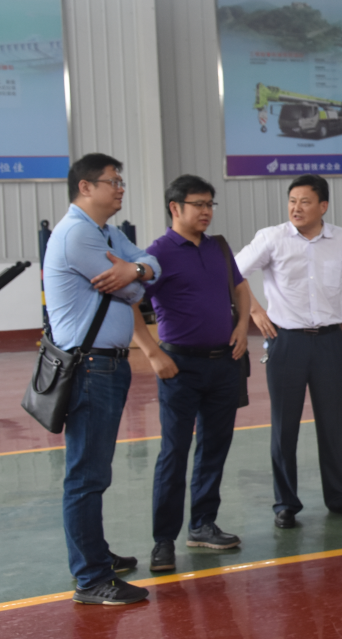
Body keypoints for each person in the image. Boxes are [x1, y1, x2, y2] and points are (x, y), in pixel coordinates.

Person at [43, 153, 160, 605]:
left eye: (121, 180)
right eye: (113, 181)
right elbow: (132, 290)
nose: (121, 187)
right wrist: (136, 276)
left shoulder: (106, 232)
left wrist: (136, 269)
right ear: (86, 187)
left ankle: (94, 555)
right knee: (87, 475)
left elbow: (148, 267)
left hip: (107, 365)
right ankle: (91, 578)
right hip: (90, 366)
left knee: (94, 472)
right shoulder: (76, 235)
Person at [236, 174, 342, 525]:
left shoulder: (341, 239)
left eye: (305, 201)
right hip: (286, 341)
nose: (296, 208)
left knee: (332, 424)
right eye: (292, 201)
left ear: (323, 206)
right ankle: (285, 504)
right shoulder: (272, 238)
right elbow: (233, 273)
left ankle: (340, 497)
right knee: (284, 426)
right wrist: (255, 311)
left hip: (329, 341)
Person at [130, 175, 251, 573]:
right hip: (179, 367)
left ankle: (202, 525)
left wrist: (242, 326)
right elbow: (129, 303)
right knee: (174, 452)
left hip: (224, 363)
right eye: (198, 204)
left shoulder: (218, 247)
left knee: (214, 447)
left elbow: (240, 288)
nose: (206, 211)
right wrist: (152, 353)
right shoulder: (157, 254)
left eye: (210, 204)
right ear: (175, 207)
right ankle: (163, 540)